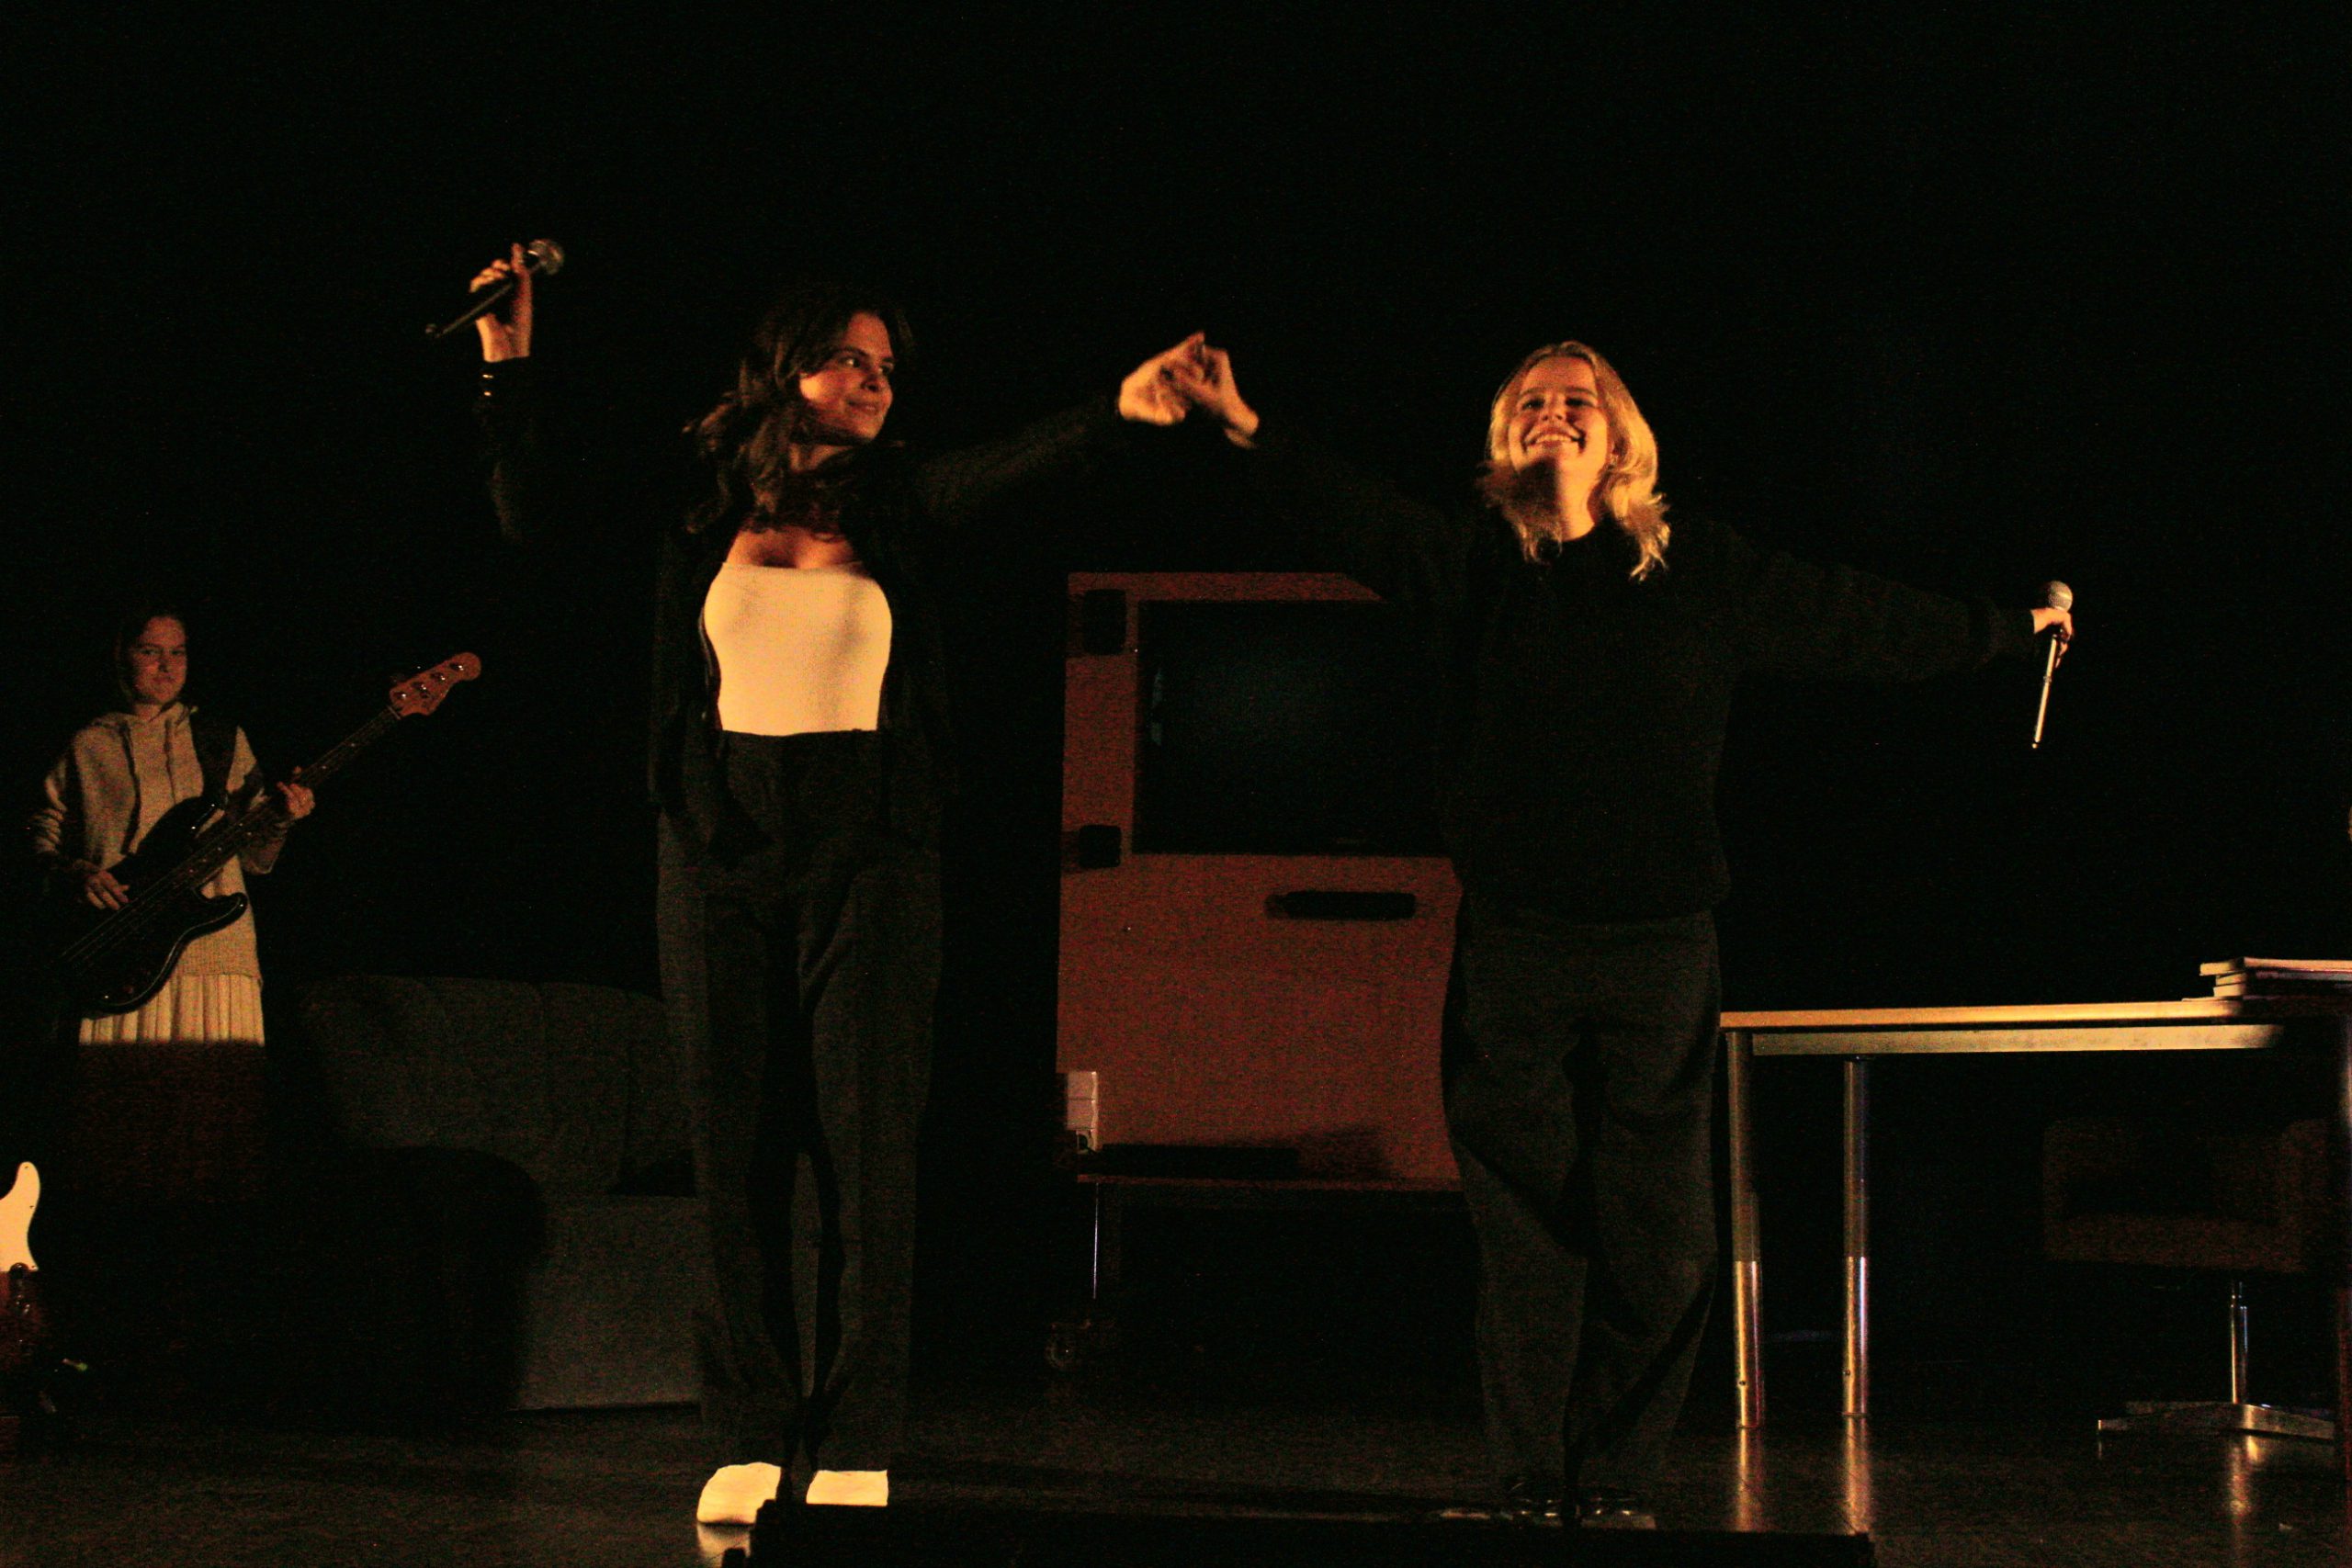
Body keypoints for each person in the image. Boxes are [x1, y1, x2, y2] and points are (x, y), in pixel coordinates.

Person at [1165, 339, 2072, 1529]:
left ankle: (1616, 1481)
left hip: (1656, 945)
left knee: (1663, 1236)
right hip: (1517, 943)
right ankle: (1528, 1480)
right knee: (1524, 1228)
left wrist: (2010, 628)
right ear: (1506, 436)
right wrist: (1240, 420)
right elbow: (1349, 513)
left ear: (1619, 435)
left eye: (1575, 400)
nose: (1553, 412)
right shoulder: (1474, 560)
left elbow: (1855, 618)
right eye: (1531, 401)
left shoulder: (1698, 567)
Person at [468, 247, 1201, 1522]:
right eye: (849, 359)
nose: (873, 382)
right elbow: (534, 511)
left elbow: (1006, 468)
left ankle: (858, 1432)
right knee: (733, 1150)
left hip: (871, 850)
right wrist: (507, 362)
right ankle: (747, 1429)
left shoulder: (898, 499)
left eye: (887, 368)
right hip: (719, 842)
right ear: (784, 366)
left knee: (866, 1151)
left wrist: (1115, 413)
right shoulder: (700, 497)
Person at [31, 608, 315, 1051]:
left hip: (216, 953)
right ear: (122, 656)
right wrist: (76, 874)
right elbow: (41, 836)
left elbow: (256, 860)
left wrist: (282, 817)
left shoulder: (221, 738)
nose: (167, 666)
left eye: (178, 653)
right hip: (119, 951)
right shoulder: (88, 744)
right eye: (151, 652)